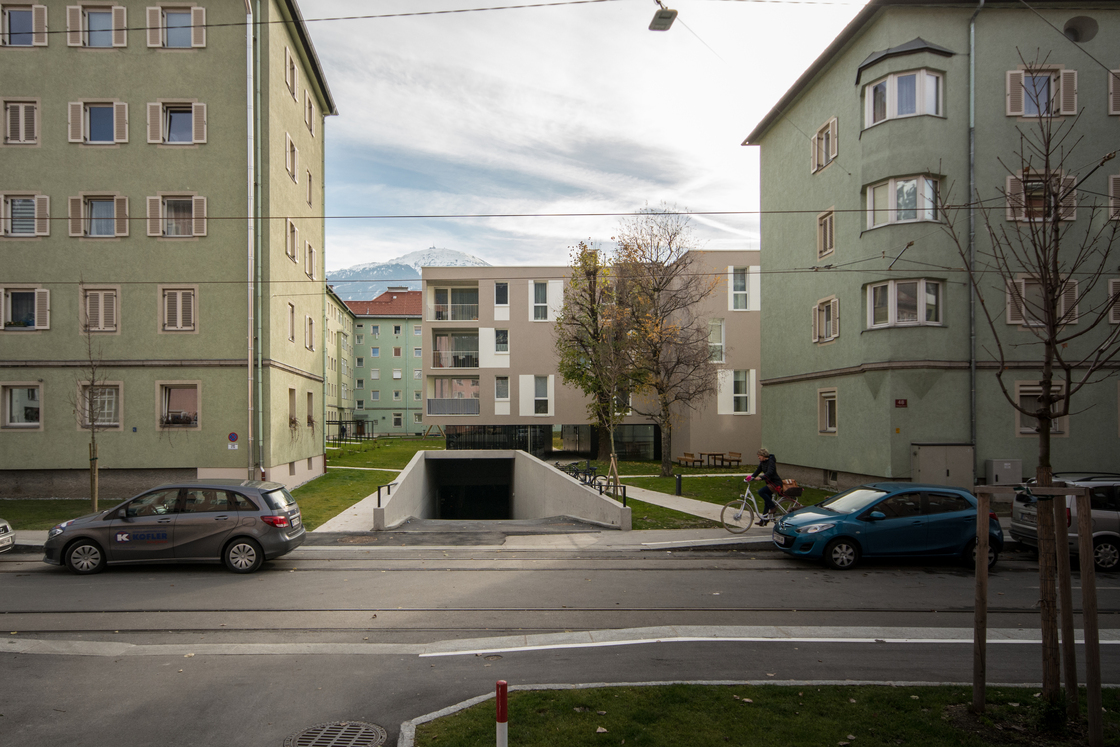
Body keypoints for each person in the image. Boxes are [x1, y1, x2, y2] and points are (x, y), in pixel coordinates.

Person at [746, 448, 783, 526]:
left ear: (763, 455)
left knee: (761, 492)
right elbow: (758, 470)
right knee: (767, 501)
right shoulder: (762, 462)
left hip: (775, 483)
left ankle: (773, 507)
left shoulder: (771, 461)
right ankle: (764, 520)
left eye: (759, 456)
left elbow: (770, 472)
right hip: (770, 483)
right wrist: (751, 477)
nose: (758, 457)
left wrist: (762, 477)